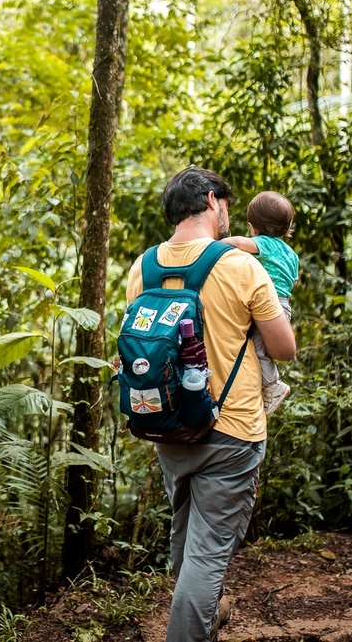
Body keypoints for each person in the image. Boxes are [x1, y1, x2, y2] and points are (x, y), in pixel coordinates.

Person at [125, 167, 296, 642]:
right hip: (232, 429)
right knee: (208, 554)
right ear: (211, 201)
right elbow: (283, 349)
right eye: (226, 204)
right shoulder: (242, 266)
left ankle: (206, 614)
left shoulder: (144, 266)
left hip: (168, 426)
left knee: (187, 543)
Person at [224, 191, 300, 416]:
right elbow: (293, 281)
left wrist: (213, 244)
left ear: (252, 226)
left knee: (258, 348)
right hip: (283, 304)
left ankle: (272, 385)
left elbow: (238, 242)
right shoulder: (290, 253)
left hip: (268, 303)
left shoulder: (264, 244)